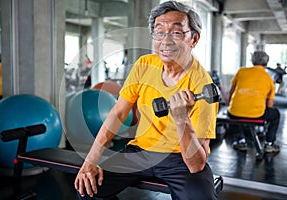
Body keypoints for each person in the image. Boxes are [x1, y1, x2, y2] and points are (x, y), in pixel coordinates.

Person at [74, 1, 218, 199]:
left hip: (180, 159)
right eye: (159, 33)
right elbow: (118, 113)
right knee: (88, 187)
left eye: (176, 33)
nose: (165, 41)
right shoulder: (144, 64)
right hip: (139, 151)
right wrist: (90, 160)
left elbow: (196, 165)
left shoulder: (203, 85)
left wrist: (181, 119)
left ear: (193, 39)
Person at [227, 51, 280, 153]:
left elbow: (231, 91)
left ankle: (240, 141)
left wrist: (231, 105)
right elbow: (270, 104)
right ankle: (269, 144)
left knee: (233, 112)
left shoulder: (241, 71)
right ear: (266, 63)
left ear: (252, 61)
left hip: (235, 112)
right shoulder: (268, 78)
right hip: (257, 115)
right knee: (275, 114)